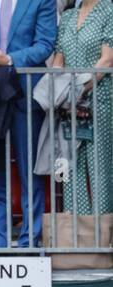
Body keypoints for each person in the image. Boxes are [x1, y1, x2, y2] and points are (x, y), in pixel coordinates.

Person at [0, 0, 56, 247]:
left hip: (26, 94)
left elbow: (45, 45)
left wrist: (9, 60)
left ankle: (30, 241)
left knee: (30, 172)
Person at [52, 0, 113, 217]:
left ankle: (103, 237)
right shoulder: (68, 16)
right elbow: (58, 61)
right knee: (68, 171)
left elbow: (107, 60)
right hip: (68, 108)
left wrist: (77, 89)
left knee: (100, 170)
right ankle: (76, 238)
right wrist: (62, 91)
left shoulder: (109, 10)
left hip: (100, 102)